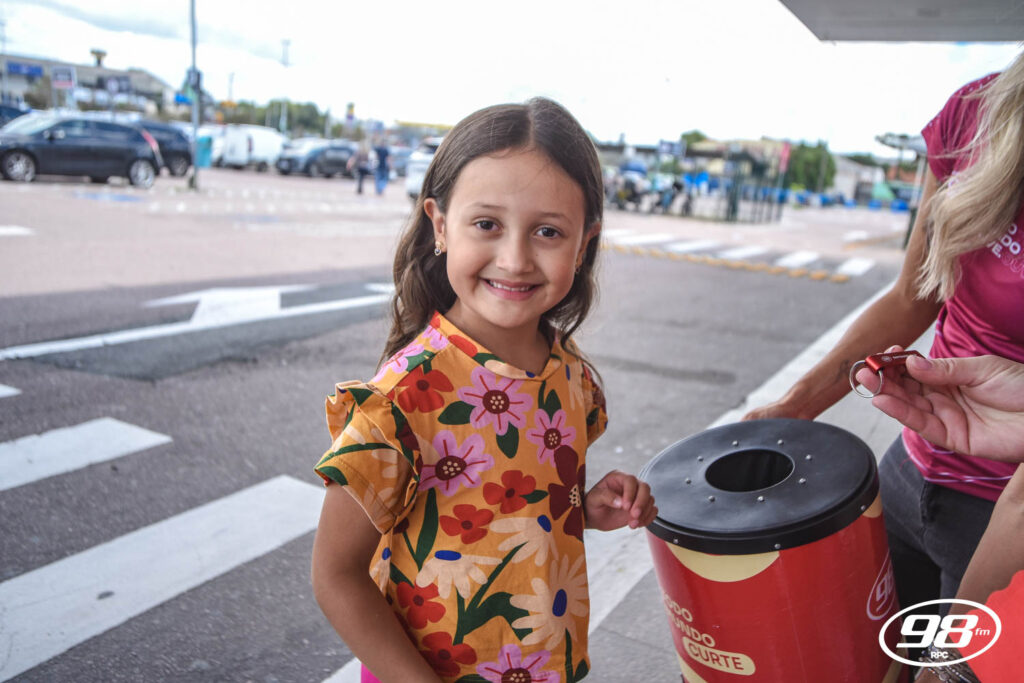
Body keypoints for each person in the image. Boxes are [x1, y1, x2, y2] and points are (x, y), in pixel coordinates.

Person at [311, 97, 658, 683]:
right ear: (440, 225)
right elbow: (334, 576)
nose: (515, 259)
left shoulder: (571, 377)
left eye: (548, 231)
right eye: (487, 224)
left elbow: (517, 509)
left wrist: (584, 507)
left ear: (584, 244)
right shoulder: (403, 398)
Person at [744, 55, 1024, 624]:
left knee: (949, 661)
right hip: (908, 466)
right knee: (868, 649)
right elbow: (913, 295)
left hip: (1003, 515)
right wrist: (795, 408)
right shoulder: (977, 112)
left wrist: (953, 662)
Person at [856, 352, 1024, 683]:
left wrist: (946, 667)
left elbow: (1020, 506)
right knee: (879, 644)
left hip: (987, 514)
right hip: (914, 461)